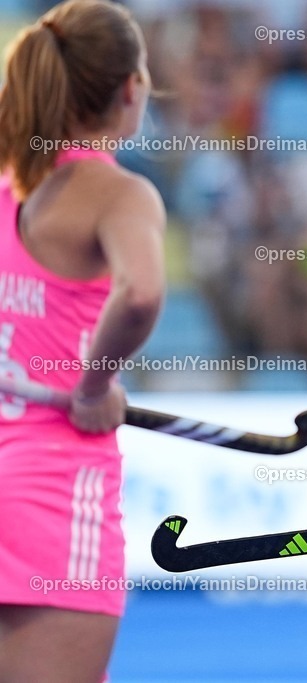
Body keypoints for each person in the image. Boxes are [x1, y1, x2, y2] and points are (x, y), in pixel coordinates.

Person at [0, 2, 164, 681]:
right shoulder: (115, 192)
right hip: (50, 492)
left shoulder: (10, 185)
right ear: (131, 88)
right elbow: (142, 290)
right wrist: (94, 383)